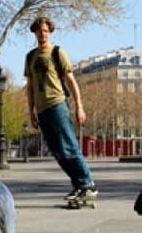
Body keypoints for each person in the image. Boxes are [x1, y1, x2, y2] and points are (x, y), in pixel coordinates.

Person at [24, 14, 97, 208]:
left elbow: (71, 81)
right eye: (39, 32)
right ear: (35, 33)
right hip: (42, 110)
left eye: (46, 31)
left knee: (69, 146)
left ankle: (87, 183)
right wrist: (30, 112)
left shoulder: (57, 53)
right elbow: (30, 87)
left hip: (57, 105)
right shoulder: (30, 57)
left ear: (50, 32)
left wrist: (79, 106)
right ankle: (78, 184)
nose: (43, 35)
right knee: (57, 151)